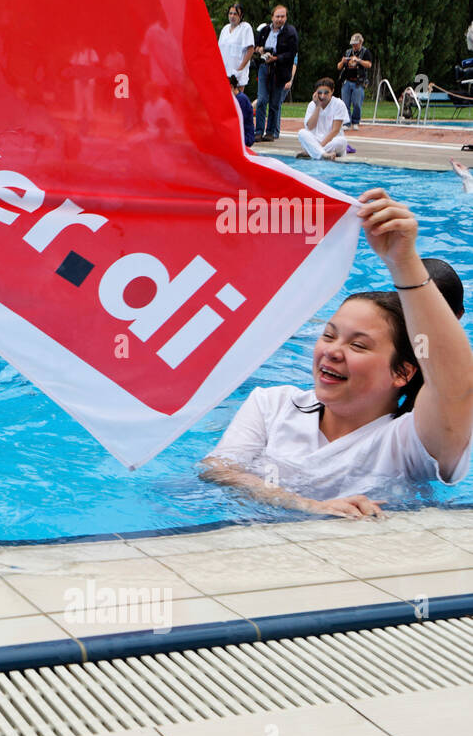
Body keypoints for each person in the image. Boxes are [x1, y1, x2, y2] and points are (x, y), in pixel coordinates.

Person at [202, 193, 473, 517]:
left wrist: (404, 262)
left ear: (402, 372)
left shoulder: (407, 443)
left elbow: (455, 385)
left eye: (358, 345)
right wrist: (307, 506)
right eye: (329, 336)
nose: (332, 351)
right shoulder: (272, 405)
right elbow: (216, 472)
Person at [252, 5, 298, 141]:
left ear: (286, 17)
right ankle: (258, 131)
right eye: (277, 16)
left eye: (282, 16)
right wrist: (259, 49)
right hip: (264, 67)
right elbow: (254, 45)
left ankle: (270, 132)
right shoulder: (265, 30)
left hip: (280, 70)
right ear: (272, 17)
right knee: (261, 100)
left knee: (274, 102)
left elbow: (292, 53)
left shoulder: (290, 32)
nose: (279, 19)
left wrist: (277, 57)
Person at [296, 78, 350, 160]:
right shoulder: (312, 105)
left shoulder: (339, 104)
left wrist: (318, 147)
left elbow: (335, 131)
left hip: (332, 141)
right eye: (320, 93)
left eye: (326, 93)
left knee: (342, 141)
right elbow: (310, 127)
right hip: (316, 140)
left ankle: (313, 153)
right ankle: (323, 154)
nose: (322, 96)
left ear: (332, 91)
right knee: (301, 133)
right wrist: (318, 106)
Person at [337, 33, 373, 128]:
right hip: (347, 81)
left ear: (361, 42)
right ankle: (346, 122)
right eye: (353, 44)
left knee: (357, 103)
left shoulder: (365, 52)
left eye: (356, 44)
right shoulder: (348, 52)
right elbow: (339, 66)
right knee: (345, 103)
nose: (354, 46)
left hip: (358, 81)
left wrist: (358, 60)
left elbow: (369, 65)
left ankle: (356, 121)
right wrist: (343, 61)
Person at [217, 3, 255, 89]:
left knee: (237, 100)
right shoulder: (225, 29)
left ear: (241, 15)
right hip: (224, 72)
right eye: (230, 13)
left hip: (238, 73)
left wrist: (240, 69)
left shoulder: (245, 28)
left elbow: (250, 49)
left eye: (235, 14)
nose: (232, 16)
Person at [231, 75, 255, 148]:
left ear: (231, 86)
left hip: (245, 137)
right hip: (241, 135)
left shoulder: (241, 99)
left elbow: (237, 121)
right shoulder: (236, 98)